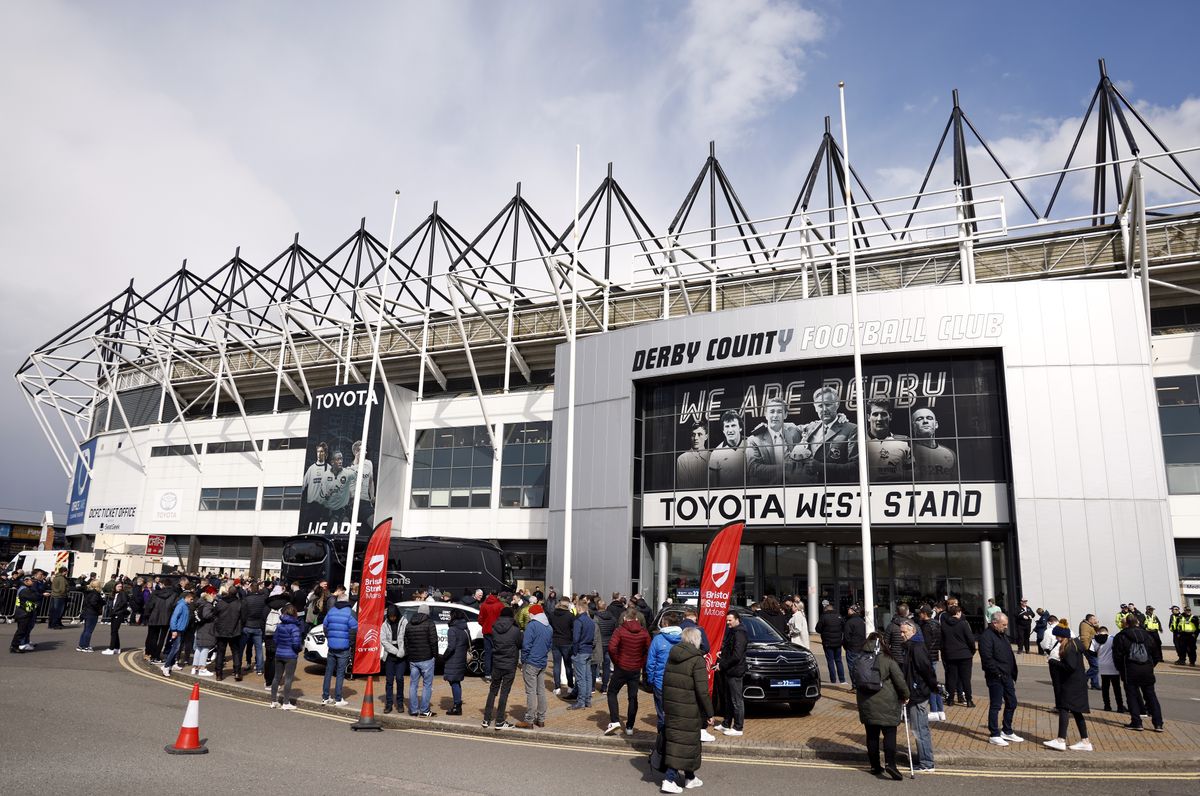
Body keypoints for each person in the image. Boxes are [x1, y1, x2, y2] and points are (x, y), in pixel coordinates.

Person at [660, 627, 714, 794]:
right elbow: (702, 691)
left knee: (684, 742)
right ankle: (669, 779)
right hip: (689, 708)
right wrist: (710, 713)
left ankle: (690, 777)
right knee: (684, 743)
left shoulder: (672, 656)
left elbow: (666, 682)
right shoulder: (697, 660)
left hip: (673, 705)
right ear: (696, 640)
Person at [855, 633, 908, 780]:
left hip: (867, 703)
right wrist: (906, 695)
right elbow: (899, 680)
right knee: (889, 735)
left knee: (872, 736)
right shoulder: (888, 659)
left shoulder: (860, 659)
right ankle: (891, 764)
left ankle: (875, 766)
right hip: (887, 703)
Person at [1044, 621, 1092, 751]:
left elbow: (1070, 667)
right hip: (1078, 682)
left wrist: (1053, 662)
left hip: (1071, 683)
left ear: (1062, 636)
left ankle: (1061, 740)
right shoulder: (1075, 644)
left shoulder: (1069, 648)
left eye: (1057, 636)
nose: (1056, 639)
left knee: (1064, 708)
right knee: (1076, 711)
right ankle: (1085, 741)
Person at [1112, 614, 1165, 732]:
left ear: (1125, 624)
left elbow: (1117, 656)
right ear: (1137, 622)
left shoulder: (1121, 636)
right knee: (1151, 696)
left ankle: (1137, 722)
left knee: (1132, 697)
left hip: (1129, 670)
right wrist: (1150, 665)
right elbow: (1156, 654)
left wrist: (1121, 669)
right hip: (1146, 670)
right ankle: (1158, 723)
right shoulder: (1147, 636)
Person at [979, 612, 1023, 746]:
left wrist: (1013, 672)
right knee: (996, 705)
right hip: (996, 677)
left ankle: (1007, 730)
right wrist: (997, 673)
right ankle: (994, 734)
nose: (1005, 627)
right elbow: (987, 658)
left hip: (1007, 675)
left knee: (1012, 702)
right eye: (1003, 625)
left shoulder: (1002, 635)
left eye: (1006, 625)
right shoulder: (986, 637)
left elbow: (1009, 654)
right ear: (995, 623)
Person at [606, 607, 651, 736]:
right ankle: (630, 726)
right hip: (635, 669)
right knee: (633, 697)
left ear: (625, 618)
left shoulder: (620, 631)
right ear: (636, 619)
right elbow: (649, 650)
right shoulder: (644, 632)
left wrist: (617, 661)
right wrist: (642, 662)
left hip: (622, 667)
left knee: (612, 692)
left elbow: (611, 647)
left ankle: (615, 720)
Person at [901, 620, 938, 772]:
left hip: (918, 694)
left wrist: (931, 687)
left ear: (913, 632)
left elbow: (926, 670)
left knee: (919, 729)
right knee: (918, 728)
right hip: (916, 692)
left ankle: (926, 763)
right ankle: (924, 759)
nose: (902, 635)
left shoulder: (916, 648)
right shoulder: (910, 647)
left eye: (905, 632)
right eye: (901, 632)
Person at [745, 398, 805, 485]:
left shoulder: (793, 430)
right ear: (766, 414)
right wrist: (785, 468)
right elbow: (753, 468)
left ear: (785, 415)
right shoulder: (754, 439)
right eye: (772, 411)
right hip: (767, 490)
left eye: (779, 412)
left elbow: (810, 428)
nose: (775, 415)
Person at [482, 607, 522, 730]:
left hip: (497, 663)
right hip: (510, 664)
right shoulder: (515, 630)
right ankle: (499, 720)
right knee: (504, 692)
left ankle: (486, 719)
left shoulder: (494, 628)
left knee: (493, 690)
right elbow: (520, 645)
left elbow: (494, 644)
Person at [516, 603, 553, 729]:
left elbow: (526, 645)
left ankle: (529, 720)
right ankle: (541, 719)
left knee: (530, 692)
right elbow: (549, 646)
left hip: (531, 662)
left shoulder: (532, 626)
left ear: (533, 614)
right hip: (542, 662)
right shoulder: (548, 627)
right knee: (541, 691)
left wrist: (523, 661)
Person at [646, 611, 682, 736]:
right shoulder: (684, 639)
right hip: (679, 683)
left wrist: (650, 680)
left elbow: (651, 663)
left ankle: (661, 742)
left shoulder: (658, 639)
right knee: (676, 713)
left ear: (666, 624)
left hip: (660, 682)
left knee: (662, 713)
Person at [321, 586, 357, 706]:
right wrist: (350, 642)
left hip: (332, 647)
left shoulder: (331, 611)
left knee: (328, 672)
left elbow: (325, 626)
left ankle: (325, 697)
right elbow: (355, 629)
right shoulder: (350, 613)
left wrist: (329, 637)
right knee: (340, 673)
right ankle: (338, 698)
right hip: (344, 648)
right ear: (347, 601)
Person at [715, 611, 748, 736]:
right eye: (727, 620)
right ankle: (726, 723)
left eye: (730, 620)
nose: (728, 622)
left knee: (736, 700)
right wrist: (722, 654)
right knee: (728, 699)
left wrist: (721, 664)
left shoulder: (740, 633)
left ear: (737, 619)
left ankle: (738, 727)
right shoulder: (733, 631)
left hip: (735, 671)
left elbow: (737, 655)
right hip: (729, 670)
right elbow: (730, 649)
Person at [864, 399, 912, 482]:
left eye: (883, 414)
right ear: (868, 417)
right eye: (875, 414)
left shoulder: (904, 441)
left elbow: (912, 474)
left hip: (894, 492)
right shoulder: (859, 442)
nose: (879, 419)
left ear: (890, 417)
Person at [405, 603, 439, 717]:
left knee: (413, 685)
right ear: (427, 613)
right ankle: (424, 710)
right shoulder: (430, 623)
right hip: (426, 659)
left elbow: (406, 642)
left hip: (413, 659)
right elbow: (434, 641)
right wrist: (435, 655)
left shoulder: (409, 624)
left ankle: (413, 710)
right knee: (427, 685)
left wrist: (409, 655)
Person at [268, 604, 302, 710]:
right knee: (288, 678)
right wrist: (299, 649)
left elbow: (275, 640)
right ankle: (286, 703)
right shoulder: (295, 627)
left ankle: (273, 701)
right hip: (290, 655)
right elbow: (296, 644)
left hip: (279, 653)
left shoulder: (279, 625)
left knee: (277, 677)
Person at [911, 406, 956, 481]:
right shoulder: (907, 452)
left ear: (936, 425)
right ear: (913, 426)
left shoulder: (950, 454)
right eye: (920, 419)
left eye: (929, 418)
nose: (925, 421)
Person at [916, 605, 945, 721]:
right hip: (933, 655)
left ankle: (934, 709)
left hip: (928, 656)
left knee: (930, 683)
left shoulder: (926, 627)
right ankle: (940, 709)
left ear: (924, 614)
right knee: (933, 681)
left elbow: (926, 643)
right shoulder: (936, 624)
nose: (919, 615)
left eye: (920, 613)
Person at [707, 410, 747, 488]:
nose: (730, 430)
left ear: (740, 428)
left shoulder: (752, 444)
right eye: (727, 426)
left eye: (733, 425)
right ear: (723, 430)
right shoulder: (716, 453)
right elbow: (712, 486)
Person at [569, 596, 596, 710]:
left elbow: (575, 638)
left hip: (580, 651)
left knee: (581, 678)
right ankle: (587, 700)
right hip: (588, 650)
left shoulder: (578, 621)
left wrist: (574, 652)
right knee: (587, 677)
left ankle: (581, 701)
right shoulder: (590, 621)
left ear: (579, 608)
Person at [213, 584, 244, 682]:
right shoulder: (239, 603)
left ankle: (219, 674)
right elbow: (243, 618)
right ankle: (237, 672)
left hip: (222, 630)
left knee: (220, 653)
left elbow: (214, 614)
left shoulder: (221, 602)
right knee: (236, 652)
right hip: (234, 631)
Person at [380, 603, 407, 714]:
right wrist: (395, 651)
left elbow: (407, 637)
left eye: (394, 616)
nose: (392, 618)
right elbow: (384, 640)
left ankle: (400, 703)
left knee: (400, 679)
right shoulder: (385, 624)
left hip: (402, 655)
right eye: (390, 616)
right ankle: (389, 704)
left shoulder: (404, 622)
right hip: (390, 655)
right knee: (389, 681)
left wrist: (402, 650)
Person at [1090, 625, 1124, 712]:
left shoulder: (1094, 640)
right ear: (1107, 631)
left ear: (1098, 632)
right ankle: (1120, 706)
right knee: (1116, 687)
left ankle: (1107, 706)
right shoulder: (1113, 638)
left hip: (1102, 665)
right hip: (1113, 666)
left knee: (1105, 687)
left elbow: (1091, 652)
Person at [161, 592, 195, 676]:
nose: (192, 601)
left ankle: (172, 664)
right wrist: (174, 630)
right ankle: (166, 666)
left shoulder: (185, 605)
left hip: (181, 630)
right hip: (177, 630)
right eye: (191, 599)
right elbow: (174, 618)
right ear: (187, 597)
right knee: (175, 649)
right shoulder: (181, 606)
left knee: (177, 648)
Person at [443, 608, 470, 716]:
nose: (449, 617)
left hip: (453, 659)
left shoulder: (452, 630)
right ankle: (457, 705)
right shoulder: (465, 629)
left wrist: (444, 656)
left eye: (450, 615)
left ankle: (457, 707)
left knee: (454, 682)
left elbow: (451, 647)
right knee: (456, 682)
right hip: (461, 658)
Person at [550, 598, 576, 697]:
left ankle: (557, 687)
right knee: (568, 665)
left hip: (555, 641)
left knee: (557, 665)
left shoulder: (552, 615)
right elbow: (573, 628)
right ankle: (570, 686)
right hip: (567, 642)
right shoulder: (570, 616)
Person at [815, 603, 846, 686]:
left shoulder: (823, 617)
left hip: (827, 642)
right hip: (838, 642)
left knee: (830, 661)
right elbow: (844, 627)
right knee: (839, 660)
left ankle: (833, 680)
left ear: (826, 610)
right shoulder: (839, 616)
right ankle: (842, 679)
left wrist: (824, 632)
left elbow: (818, 629)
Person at [240, 581, 267, 676]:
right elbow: (264, 613)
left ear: (251, 588)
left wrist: (243, 624)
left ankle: (240, 665)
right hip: (258, 626)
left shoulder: (246, 599)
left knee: (242, 648)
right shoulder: (263, 599)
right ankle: (259, 668)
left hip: (247, 625)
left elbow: (243, 614)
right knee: (259, 648)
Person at [675, 424, 711, 489]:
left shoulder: (714, 457)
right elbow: (683, 487)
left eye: (699, 434)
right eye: (693, 435)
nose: (696, 438)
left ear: (706, 437)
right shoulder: (682, 459)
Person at [9, 575, 38, 653]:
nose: (33, 582)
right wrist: (37, 593)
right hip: (23, 613)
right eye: (32, 581)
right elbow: (34, 597)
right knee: (21, 631)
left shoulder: (25, 589)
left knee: (23, 630)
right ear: (26, 581)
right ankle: (14, 646)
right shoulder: (24, 590)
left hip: (23, 611)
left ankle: (17, 645)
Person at [479, 590, 504, 680]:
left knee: (488, 653)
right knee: (497, 653)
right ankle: (495, 673)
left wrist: (485, 625)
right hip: (497, 631)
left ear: (490, 594)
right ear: (497, 595)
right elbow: (503, 619)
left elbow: (480, 619)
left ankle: (487, 674)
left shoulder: (484, 605)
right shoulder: (500, 605)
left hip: (487, 631)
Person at [190, 591, 217, 676]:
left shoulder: (200, 604)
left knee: (199, 648)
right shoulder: (208, 605)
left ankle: (195, 667)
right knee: (205, 648)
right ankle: (202, 668)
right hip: (207, 629)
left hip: (200, 628)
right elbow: (206, 615)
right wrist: (214, 614)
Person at [843, 604, 868, 689]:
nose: (848, 610)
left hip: (852, 648)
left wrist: (846, 646)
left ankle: (855, 686)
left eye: (849, 609)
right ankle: (861, 684)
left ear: (853, 611)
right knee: (861, 667)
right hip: (861, 647)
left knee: (852, 667)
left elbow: (846, 637)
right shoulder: (862, 621)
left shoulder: (849, 622)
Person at [76, 579, 105, 652]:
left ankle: (81, 645)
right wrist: (99, 606)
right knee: (89, 631)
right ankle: (85, 646)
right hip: (92, 613)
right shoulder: (95, 593)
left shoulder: (89, 592)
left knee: (86, 630)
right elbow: (93, 603)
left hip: (87, 612)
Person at [103, 581, 130, 655]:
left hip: (118, 614)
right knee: (114, 631)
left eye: (121, 586)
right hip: (114, 614)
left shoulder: (123, 594)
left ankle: (111, 649)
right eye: (118, 586)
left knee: (114, 631)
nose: (119, 588)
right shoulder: (115, 594)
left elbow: (123, 603)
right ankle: (117, 648)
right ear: (115, 586)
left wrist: (116, 609)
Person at [1078, 614, 1100, 690]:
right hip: (1089, 649)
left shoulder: (1090, 625)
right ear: (1089, 619)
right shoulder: (1085, 625)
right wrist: (1087, 649)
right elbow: (1084, 638)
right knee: (1096, 666)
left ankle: (1095, 684)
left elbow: (1097, 632)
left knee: (1093, 666)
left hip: (1093, 648)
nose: (1095, 620)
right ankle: (1083, 680)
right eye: (1094, 619)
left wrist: (1096, 625)